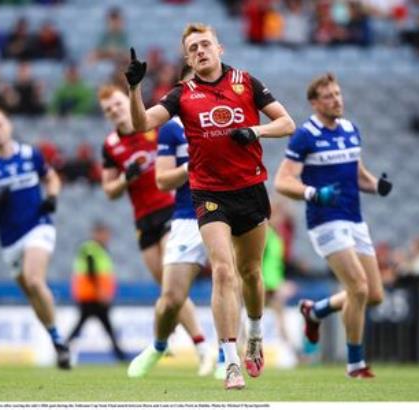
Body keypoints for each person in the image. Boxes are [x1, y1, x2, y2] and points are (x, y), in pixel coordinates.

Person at [125, 22, 295, 389]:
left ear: (220, 49)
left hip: (250, 189)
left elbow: (287, 123)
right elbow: (141, 124)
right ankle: (230, 361)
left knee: (250, 273)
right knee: (223, 271)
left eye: (205, 44)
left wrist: (256, 130)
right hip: (209, 194)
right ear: (188, 57)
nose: (200, 51)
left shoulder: (246, 82)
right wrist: (135, 88)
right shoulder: (182, 94)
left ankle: (254, 332)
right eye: (193, 48)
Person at [274, 73, 392, 378]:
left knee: (374, 295)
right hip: (325, 221)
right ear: (314, 103)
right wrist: (313, 193)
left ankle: (316, 311)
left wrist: (377, 185)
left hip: (355, 219)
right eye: (328, 96)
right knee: (358, 288)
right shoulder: (305, 136)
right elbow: (283, 181)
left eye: (338, 94)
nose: (336, 100)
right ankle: (355, 364)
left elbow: (358, 173)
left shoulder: (352, 130)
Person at [98, 84, 209, 369]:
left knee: (173, 288)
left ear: (128, 102)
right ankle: (168, 334)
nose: (115, 111)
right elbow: (109, 191)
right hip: (143, 220)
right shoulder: (111, 145)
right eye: (108, 109)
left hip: (172, 210)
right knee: (166, 288)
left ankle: (201, 347)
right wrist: (126, 179)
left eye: (118, 104)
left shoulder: (154, 127)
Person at [0, 106, 70, 370]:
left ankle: (56, 335)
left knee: (34, 280)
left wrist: (52, 197)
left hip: (38, 226)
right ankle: (57, 339)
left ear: (8, 126)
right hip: (10, 239)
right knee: (33, 294)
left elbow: (51, 178)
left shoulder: (29, 154)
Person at [127, 66, 215, 379]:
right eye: (194, 80)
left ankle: (226, 356)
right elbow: (163, 181)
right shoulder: (171, 129)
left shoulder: (224, 118)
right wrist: (192, 167)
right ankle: (160, 345)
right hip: (185, 215)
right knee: (170, 299)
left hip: (225, 211)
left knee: (231, 280)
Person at [67, 222, 126, 362]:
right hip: (91, 295)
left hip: (92, 295)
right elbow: (91, 272)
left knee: (96, 325)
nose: (107, 237)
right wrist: (101, 292)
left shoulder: (99, 249)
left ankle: (63, 347)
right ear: (97, 233)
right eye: (104, 234)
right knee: (104, 326)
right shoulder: (90, 249)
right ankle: (120, 355)